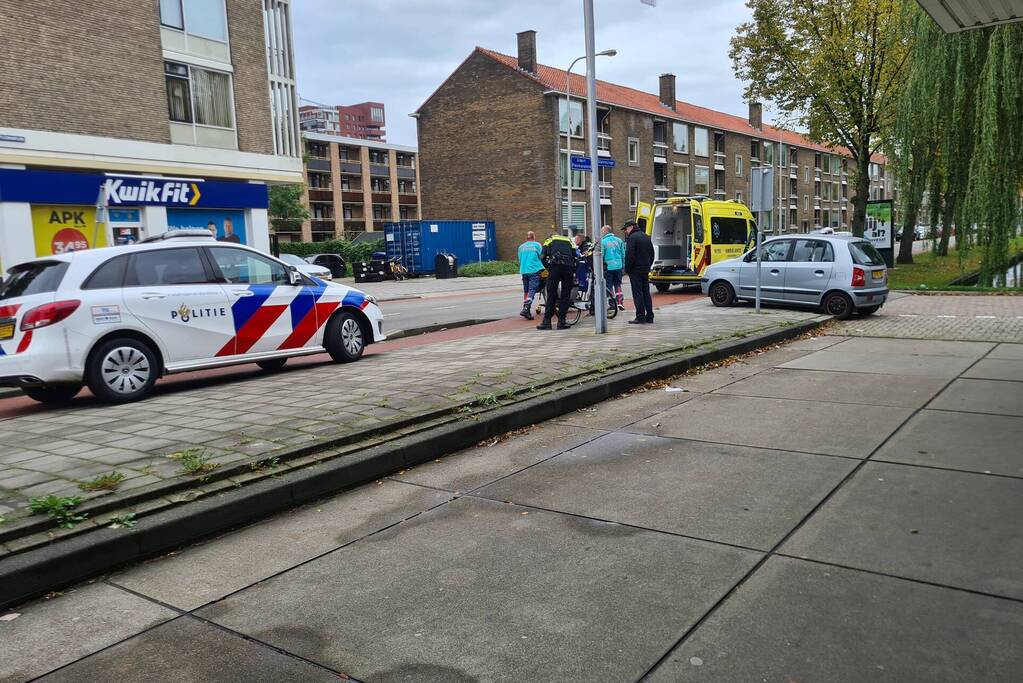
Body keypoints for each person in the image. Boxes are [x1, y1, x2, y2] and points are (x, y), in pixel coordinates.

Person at [537, 230, 576, 330]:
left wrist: (548, 268)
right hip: (568, 268)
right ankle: (562, 321)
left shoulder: (549, 240)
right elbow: (576, 255)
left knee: (552, 294)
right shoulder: (569, 240)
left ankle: (547, 322)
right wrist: (573, 269)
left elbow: (542, 257)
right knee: (565, 295)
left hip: (555, 267)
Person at [623, 219, 655, 324]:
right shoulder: (645, 236)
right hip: (645, 269)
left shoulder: (632, 238)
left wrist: (627, 269)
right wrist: (648, 265)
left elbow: (629, 256)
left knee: (637, 293)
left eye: (626, 229)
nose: (625, 231)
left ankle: (640, 316)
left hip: (635, 270)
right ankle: (650, 316)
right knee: (646, 292)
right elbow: (652, 253)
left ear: (631, 227)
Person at [517, 230, 544, 320]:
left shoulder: (521, 247)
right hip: (534, 269)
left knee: (526, 290)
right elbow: (542, 257)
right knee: (532, 289)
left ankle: (526, 310)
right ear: (534, 237)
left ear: (527, 238)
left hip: (524, 270)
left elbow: (520, 259)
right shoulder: (537, 245)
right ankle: (526, 307)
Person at [600, 225, 626, 310]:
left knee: (609, 286)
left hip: (608, 267)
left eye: (602, 231)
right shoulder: (619, 240)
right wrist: (623, 265)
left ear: (606, 231)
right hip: (618, 266)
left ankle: (612, 304)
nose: (601, 233)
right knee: (618, 284)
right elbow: (623, 254)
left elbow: (602, 255)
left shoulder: (603, 242)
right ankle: (619, 302)